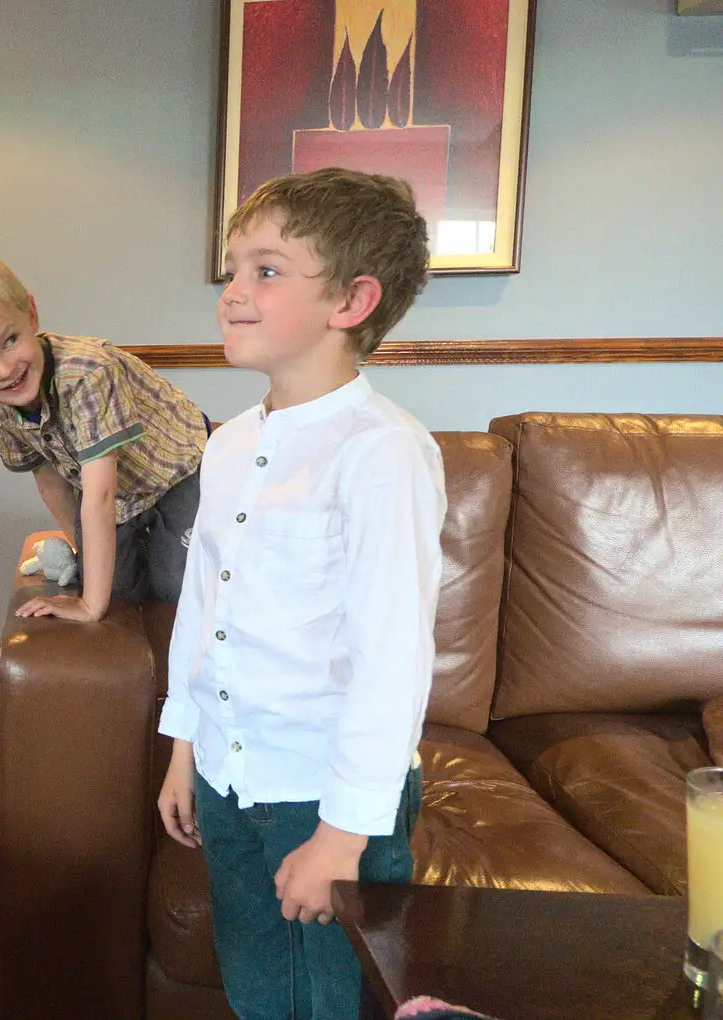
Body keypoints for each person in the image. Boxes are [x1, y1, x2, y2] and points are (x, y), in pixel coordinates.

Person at [154, 168, 447, 1020]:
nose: (233, 292)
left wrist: (345, 835)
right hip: (228, 773)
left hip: (327, 794)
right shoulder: (230, 442)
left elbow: (393, 660)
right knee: (257, 984)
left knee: (336, 999)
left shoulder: (381, 452)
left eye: (267, 270)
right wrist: (185, 744)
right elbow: (203, 607)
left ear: (352, 300)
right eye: (232, 269)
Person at [0, 250, 210, 622]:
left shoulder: (87, 374)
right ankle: (148, 541)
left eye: (10, 340)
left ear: (31, 314)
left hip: (179, 469)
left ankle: (184, 534)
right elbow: (51, 484)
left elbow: (99, 495)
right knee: (117, 589)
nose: (5, 369)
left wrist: (89, 605)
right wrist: (85, 559)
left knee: (172, 584)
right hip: (121, 493)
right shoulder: (1, 412)